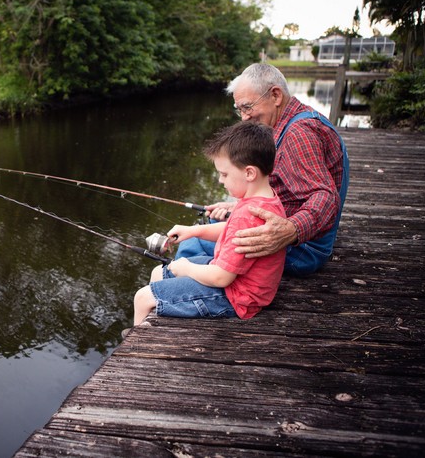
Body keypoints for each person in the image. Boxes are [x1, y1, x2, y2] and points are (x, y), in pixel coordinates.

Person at [175, 63, 349, 277]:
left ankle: (194, 292)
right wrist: (239, 207)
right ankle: (207, 275)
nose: (244, 117)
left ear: (275, 96)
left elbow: (326, 196)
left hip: (305, 250)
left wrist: (290, 230)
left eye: (248, 107)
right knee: (218, 221)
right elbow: (287, 190)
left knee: (194, 242)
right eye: (239, 109)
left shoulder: (299, 133)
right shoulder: (293, 120)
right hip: (304, 240)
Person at [129, 121, 285, 329]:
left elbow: (221, 277)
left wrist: (186, 267)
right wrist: (195, 231)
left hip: (236, 298)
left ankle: (137, 346)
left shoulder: (248, 214)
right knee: (159, 272)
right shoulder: (263, 200)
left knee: (142, 298)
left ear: (249, 173)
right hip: (240, 284)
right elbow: (232, 232)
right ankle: (162, 309)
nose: (220, 180)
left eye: (224, 174)